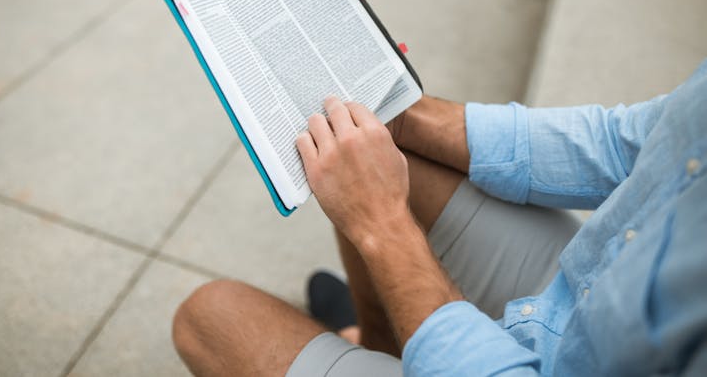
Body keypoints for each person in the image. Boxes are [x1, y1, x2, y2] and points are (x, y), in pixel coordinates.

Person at [171, 61, 707, 376]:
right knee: (376, 149)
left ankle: (400, 341)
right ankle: (381, 344)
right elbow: (627, 143)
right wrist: (408, 115)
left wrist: (383, 226)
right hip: (582, 288)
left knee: (209, 316)